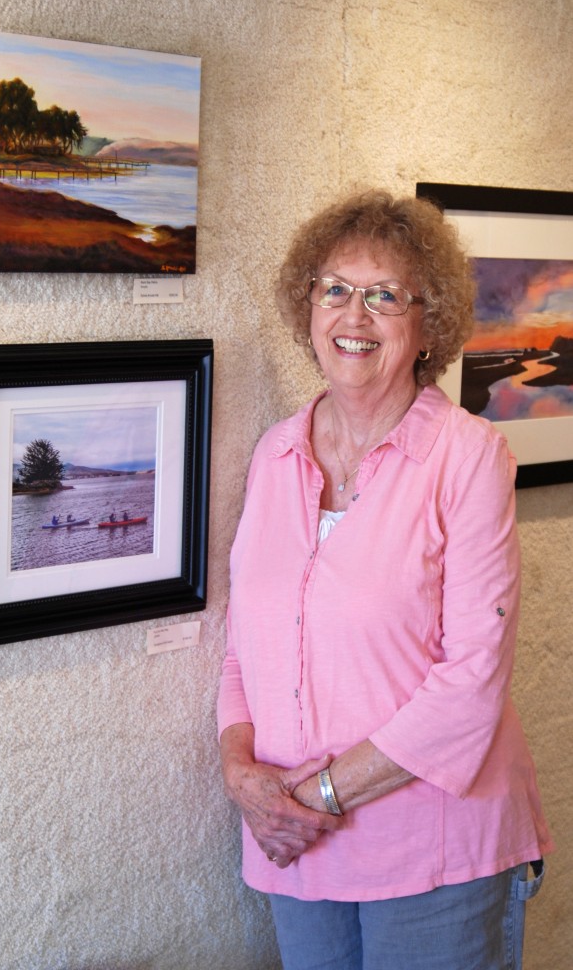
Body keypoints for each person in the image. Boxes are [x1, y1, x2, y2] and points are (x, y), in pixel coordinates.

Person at [217, 190, 552, 970]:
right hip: (292, 848)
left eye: (384, 297)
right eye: (333, 289)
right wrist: (243, 779)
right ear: (305, 307)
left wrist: (317, 797)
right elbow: (244, 653)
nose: (353, 316)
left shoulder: (467, 457)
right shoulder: (274, 455)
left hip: (434, 850)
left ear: (428, 324)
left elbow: (470, 679)